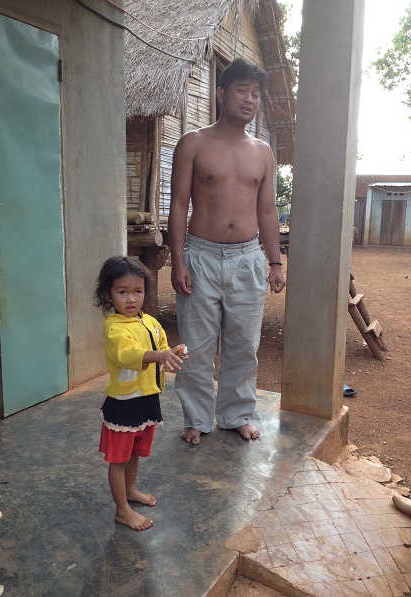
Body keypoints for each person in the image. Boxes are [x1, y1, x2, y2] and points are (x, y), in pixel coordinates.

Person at [168, 58, 286, 446]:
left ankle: (236, 414)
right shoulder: (193, 143)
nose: (250, 99)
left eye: (256, 93)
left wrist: (275, 262)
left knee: (243, 346)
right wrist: (178, 261)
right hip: (200, 256)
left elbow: (266, 212)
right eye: (241, 90)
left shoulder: (263, 152)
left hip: (247, 259)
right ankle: (196, 418)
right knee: (197, 346)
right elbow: (178, 205)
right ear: (221, 94)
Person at [94, 256, 187, 530]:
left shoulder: (150, 322)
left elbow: (161, 345)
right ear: (108, 294)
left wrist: (171, 352)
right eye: (122, 292)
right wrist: (159, 356)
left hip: (147, 399)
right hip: (124, 405)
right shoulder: (114, 328)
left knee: (134, 453)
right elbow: (129, 354)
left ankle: (130, 490)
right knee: (118, 459)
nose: (131, 299)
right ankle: (122, 510)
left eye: (138, 291)